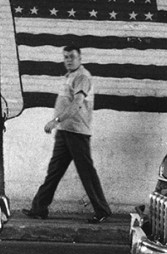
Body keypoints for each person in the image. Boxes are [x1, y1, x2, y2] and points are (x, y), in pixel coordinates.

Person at [22, 46, 113, 224]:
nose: (68, 60)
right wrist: (60, 124)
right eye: (65, 57)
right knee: (54, 172)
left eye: (72, 56)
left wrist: (56, 120)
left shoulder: (82, 76)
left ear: (80, 58)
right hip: (65, 131)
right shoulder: (69, 76)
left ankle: (102, 210)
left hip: (77, 132)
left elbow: (77, 103)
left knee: (86, 172)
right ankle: (39, 209)